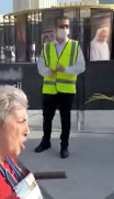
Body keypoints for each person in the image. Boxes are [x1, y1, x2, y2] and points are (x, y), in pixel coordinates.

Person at [34, 16, 86, 159]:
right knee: (47, 118)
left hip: (67, 90)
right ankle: (46, 142)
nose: (64, 29)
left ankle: (64, 146)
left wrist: (65, 69)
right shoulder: (47, 47)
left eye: (67, 27)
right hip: (50, 89)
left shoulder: (75, 46)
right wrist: (47, 71)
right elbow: (40, 66)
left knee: (65, 119)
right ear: (56, 29)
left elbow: (81, 66)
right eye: (62, 26)